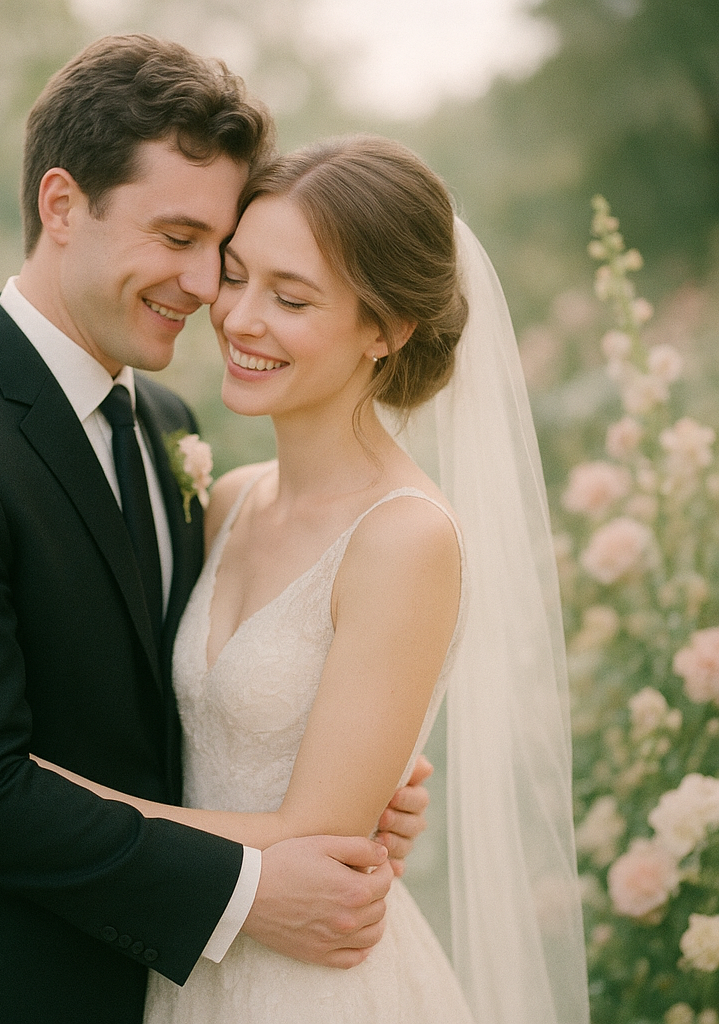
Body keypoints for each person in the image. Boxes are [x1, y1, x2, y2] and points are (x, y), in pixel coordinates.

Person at [0, 35, 431, 1024]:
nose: (206, 288)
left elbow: (177, 697)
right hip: (0, 988)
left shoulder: (168, 427)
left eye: (223, 252)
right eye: (177, 237)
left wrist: (355, 782)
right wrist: (250, 882)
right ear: (62, 206)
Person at [34, 136, 591, 1023]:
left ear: (387, 330)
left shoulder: (404, 537)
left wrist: (57, 804)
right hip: (184, 956)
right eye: (238, 274)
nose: (240, 318)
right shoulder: (226, 500)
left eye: (290, 297)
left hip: (312, 978)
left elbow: (315, 838)